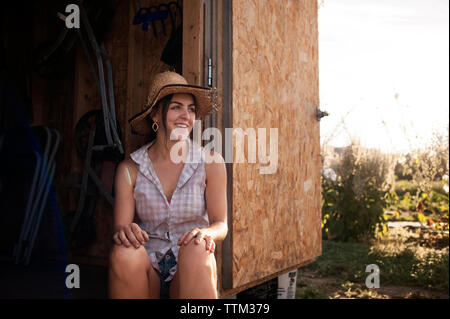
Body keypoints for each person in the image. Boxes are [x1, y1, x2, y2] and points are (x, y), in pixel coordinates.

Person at [108, 71, 228, 299]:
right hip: (147, 269)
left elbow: (221, 224)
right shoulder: (130, 169)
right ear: (155, 114)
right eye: (176, 107)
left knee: (197, 248)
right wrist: (125, 231)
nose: (186, 116)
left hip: (189, 269)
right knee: (124, 251)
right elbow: (119, 228)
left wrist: (206, 232)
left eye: (191, 109)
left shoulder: (211, 162)